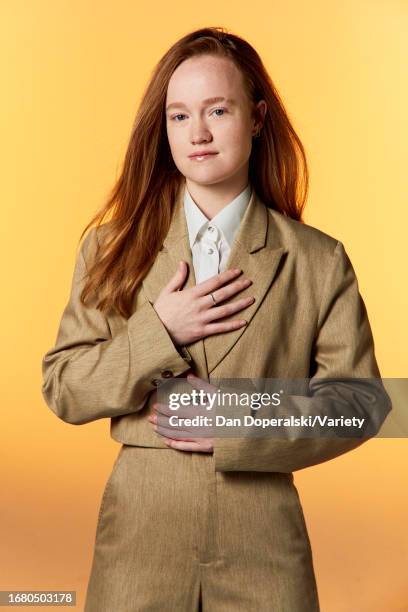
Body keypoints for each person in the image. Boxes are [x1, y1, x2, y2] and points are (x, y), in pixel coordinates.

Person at [41, 27, 391, 611]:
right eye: (179, 116)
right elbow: (63, 388)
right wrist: (160, 333)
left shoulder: (317, 259)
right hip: (139, 544)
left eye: (217, 110)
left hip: (263, 547)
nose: (197, 133)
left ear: (255, 119)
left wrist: (236, 417)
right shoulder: (110, 248)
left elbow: (365, 405)